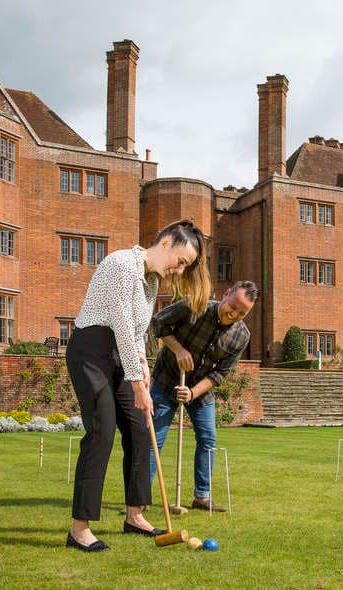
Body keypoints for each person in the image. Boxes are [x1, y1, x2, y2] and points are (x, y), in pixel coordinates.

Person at [64, 220, 210, 552]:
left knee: (139, 428)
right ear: (167, 243)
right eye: (181, 260)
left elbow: (136, 330)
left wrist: (142, 368)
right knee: (101, 432)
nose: (179, 269)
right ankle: (79, 529)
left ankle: (135, 515)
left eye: (186, 266)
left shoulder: (151, 282)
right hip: (91, 350)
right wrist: (139, 385)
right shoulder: (121, 264)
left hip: (119, 354)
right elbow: (119, 323)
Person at [149, 280, 259, 511]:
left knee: (208, 439)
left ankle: (202, 497)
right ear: (226, 294)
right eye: (234, 306)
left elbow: (220, 373)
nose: (235, 313)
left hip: (200, 390)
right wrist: (178, 350)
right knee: (153, 440)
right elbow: (158, 322)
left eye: (242, 312)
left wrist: (192, 393)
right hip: (167, 379)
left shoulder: (241, 335)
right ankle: (140, 499)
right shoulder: (194, 306)